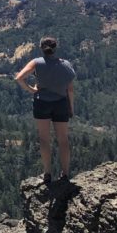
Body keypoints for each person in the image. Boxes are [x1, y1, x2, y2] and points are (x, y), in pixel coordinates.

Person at [15, 37, 77, 183]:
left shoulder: (37, 63)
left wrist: (32, 90)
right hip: (61, 103)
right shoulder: (66, 65)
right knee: (63, 140)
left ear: (41, 48)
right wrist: (71, 108)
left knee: (44, 139)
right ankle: (65, 174)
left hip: (42, 103)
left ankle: (47, 173)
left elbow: (19, 78)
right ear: (56, 48)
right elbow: (70, 90)